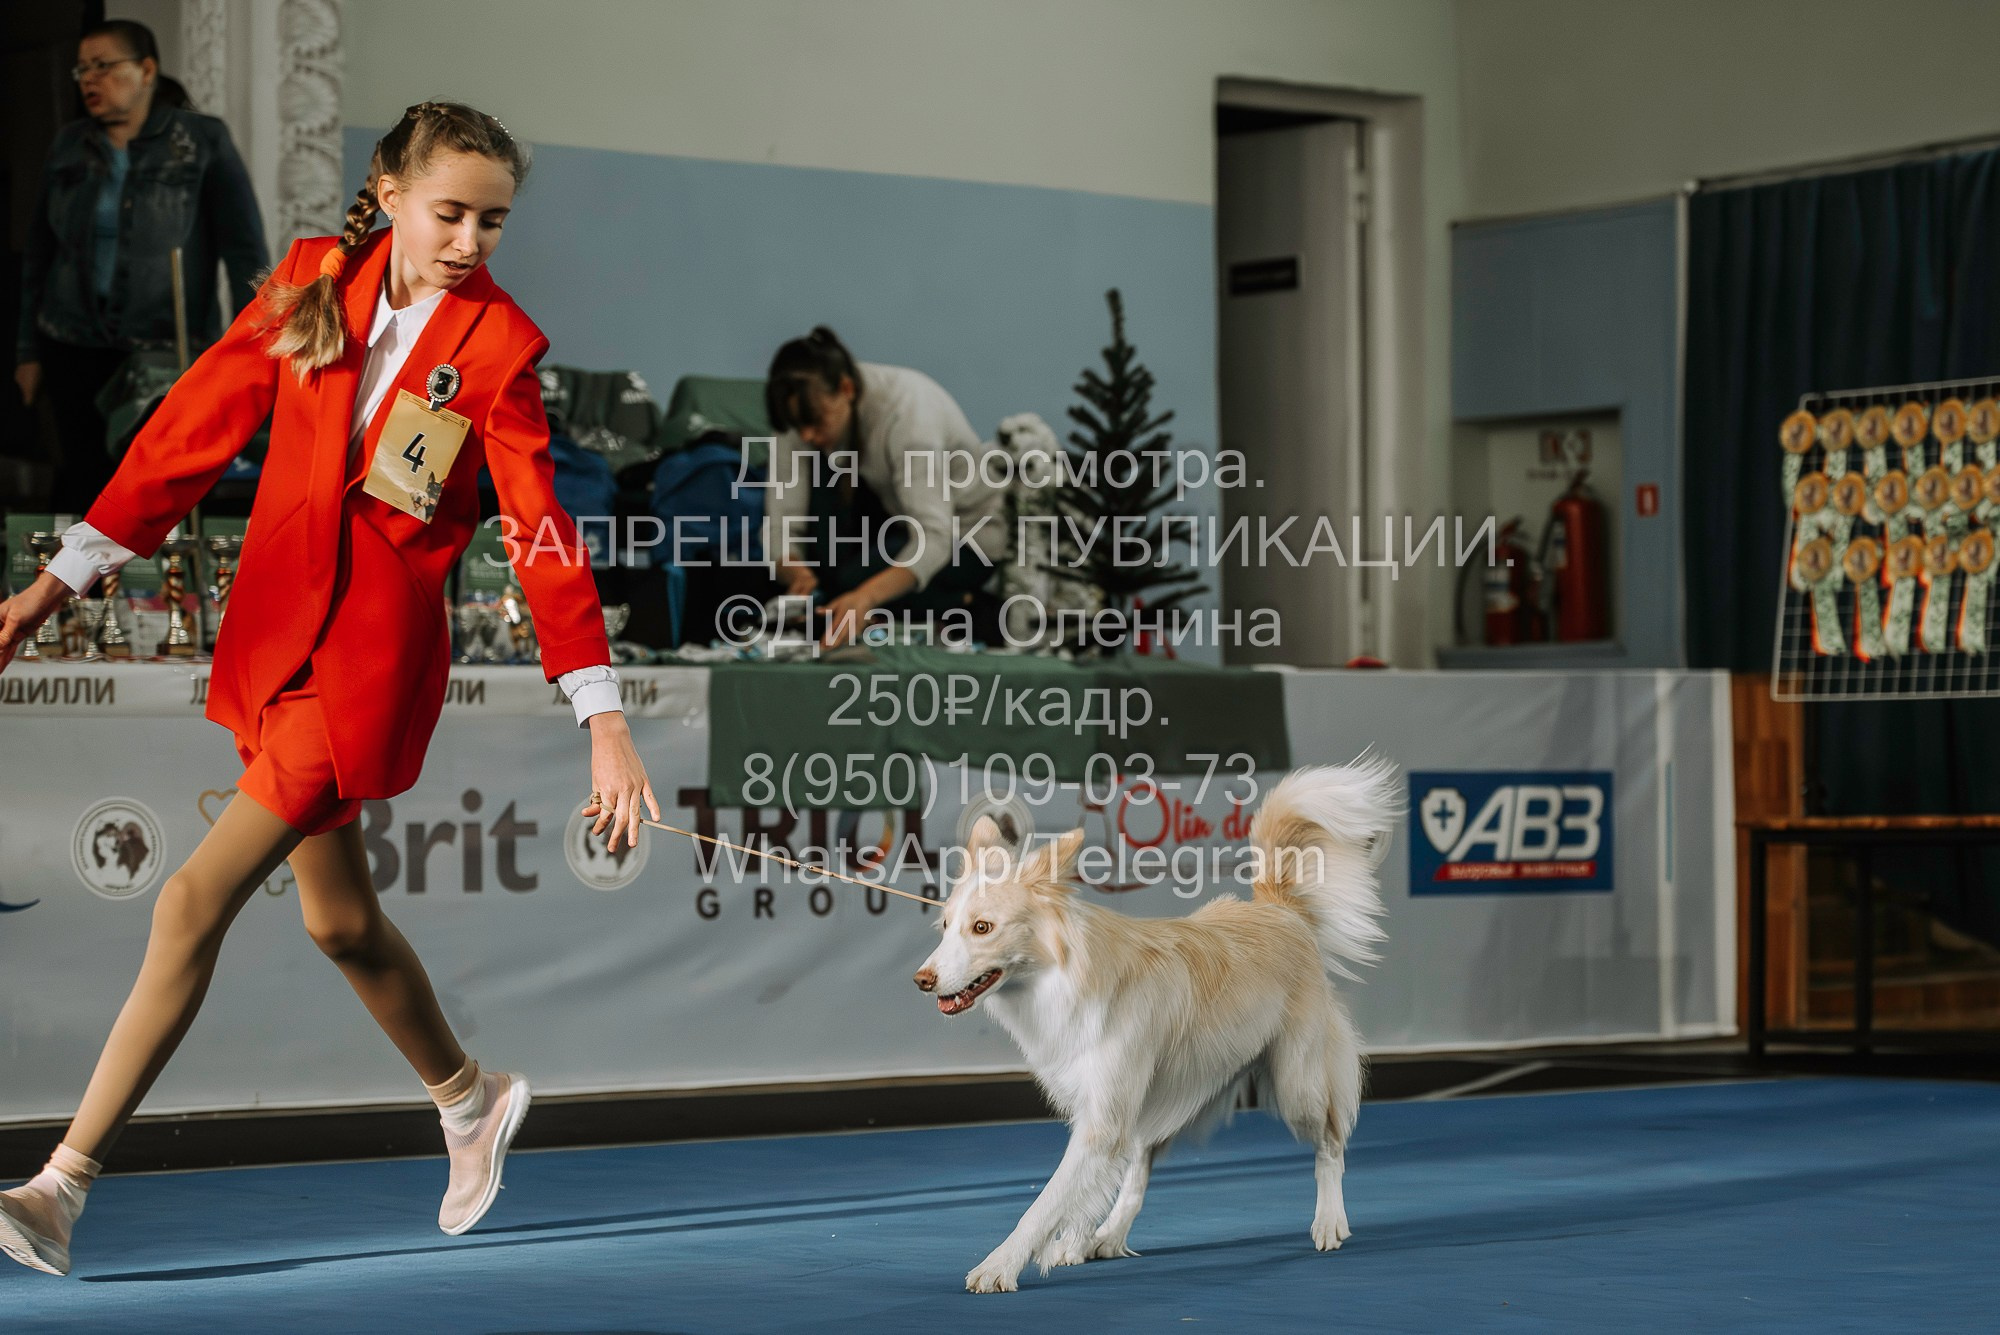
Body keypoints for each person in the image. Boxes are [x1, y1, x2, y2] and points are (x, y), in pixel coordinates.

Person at [0, 101, 656, 1278]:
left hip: (363, 666)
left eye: (492, 222)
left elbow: (542, 532)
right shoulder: (312, 279)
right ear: (391, 190)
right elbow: (191, 427)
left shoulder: (500, 350)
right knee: (339, 922)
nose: (469, 240)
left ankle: (62, 1182)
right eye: (449, 212)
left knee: (188, 903)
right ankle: (468, 1098)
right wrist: (59, 580)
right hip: (272, 639)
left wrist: (602, 717)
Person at [16, 19, 268, 513]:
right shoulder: (69, 145)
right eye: (82, 69)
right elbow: (40, 254)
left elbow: (245, 253)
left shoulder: (201, 141)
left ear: (147, 69)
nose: (89, 78)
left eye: (104, 66)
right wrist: (28, 352)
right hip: (72, 343)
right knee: (81, 483)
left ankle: (154, 592)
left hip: (166, 351)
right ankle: (77, 590)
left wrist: (249, 353)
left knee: (156, 489)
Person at [763, 328, 1011, 645]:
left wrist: (864, 597)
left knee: (852, 586)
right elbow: (780, 523)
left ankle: (968, 606)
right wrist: (795, 572)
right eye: (798, 427)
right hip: (898, 520)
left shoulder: (909, 414)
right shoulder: (799, 413)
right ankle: (872, 604)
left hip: (969, 535)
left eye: (817, 422)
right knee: (828, 586)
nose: (807, 436)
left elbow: (935, 537)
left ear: (847, 389)